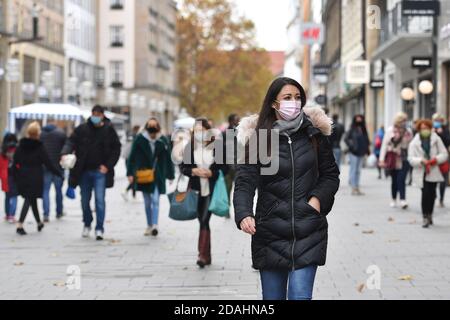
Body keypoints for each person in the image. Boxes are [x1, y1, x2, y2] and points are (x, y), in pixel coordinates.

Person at [233, 77, 340, 300]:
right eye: (287, 98)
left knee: (300, 296)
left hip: (308, 229)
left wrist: (317, 201)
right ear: (274, 103)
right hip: (270, 232)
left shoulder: (315, 135)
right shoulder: (260, 139)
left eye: (298, 97)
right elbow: (245, 180)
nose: (294, 102)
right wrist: (244, 213)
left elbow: (330, 175)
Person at [61, 105, 121, 241]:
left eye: (98, 114)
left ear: (102, 116)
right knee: (84, 201)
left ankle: (99, 228)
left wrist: (108, 166)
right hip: (84, 171)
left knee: (100, 201)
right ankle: (87, 223)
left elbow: (116, 149)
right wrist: (65, 153)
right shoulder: (82, 129)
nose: (95, 116)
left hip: (100, 171)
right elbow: (71, 141)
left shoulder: (109, 130)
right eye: (94, 113)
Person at [180, 118, 228, 268]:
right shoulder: (190, 147)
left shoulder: (218, 146)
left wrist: (211, 173)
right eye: (197, 131)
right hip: (196, 189)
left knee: (204, 219)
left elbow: (225, 167)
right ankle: (206, 255)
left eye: (202, 130)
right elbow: (183, 168)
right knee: (201, 219)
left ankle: (202, 254)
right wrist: (193, 171)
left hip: (211, 188)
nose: (200, 133)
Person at [127, 118, 175, 236]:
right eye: (150, 125)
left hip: (158, 174)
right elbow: (131, 157)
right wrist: (130, 173)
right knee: (147, 202)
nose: (152, 128)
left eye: (154, 125)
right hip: (144, 174)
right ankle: (149, 225)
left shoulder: (163, 140)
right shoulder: (140, 139)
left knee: (155, 200)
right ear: (146, 127)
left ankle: (155, 225)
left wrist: (170, 175)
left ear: (158, 127)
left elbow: (169, 158)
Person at [13, 122, 63, 235]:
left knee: (32, 199)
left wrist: (16, 176)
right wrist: (58, 172)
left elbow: (15, 161)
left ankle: (39, 222)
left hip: (23, 175)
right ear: (37, 133)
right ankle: (20, 224)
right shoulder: (39, 146)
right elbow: (48, 163)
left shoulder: (21, 145)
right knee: (29, 199)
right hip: (35, 175)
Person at [408, 119, 448, 228]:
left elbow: (444, 154)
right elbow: (411, 159)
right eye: (422, 129)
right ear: (419, 130)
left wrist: (435, 160)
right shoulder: (414, 142)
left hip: (433, 170)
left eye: (426, 128)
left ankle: (430, 214)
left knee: (432, 194)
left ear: (430, 129)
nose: (424, 130)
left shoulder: (436, 139)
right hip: (421, 172)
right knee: (425, 194)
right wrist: (421, 160)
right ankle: (425, 216)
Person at [379, 113, 413, 209]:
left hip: (404, 158)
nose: (404, 122)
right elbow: (384, 145)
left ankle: (403, 200)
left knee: (401, 179)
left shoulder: (408, 131)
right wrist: (381, 159)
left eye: (405, 120)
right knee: (394, 180)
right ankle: (393, 199)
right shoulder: (390, 130)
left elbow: (412, 144)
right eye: (402, 120)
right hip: (393, 158)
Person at [40, 120, 67, 222]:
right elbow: (66, 148)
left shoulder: (41, 134)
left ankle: (46, 214)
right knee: (58, 191)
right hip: (57, 168)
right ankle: (59, 212)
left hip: (45, 167)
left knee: (45, 191)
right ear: (54, 124)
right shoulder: (60, 134)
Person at [344, 115, 370, 195]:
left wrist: (367, 149)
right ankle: (353, 187)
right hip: (353, 152)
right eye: (357, 118)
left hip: (361, 152)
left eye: (360, 118)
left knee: (358, 170)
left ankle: (357, 187)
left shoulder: (363, 129)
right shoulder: (352, 129)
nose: (359, 120)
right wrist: (351, 146)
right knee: (354, 169)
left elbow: (366, 139)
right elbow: (346, 139)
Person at [222, 114, 240, 218]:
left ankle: (239, 212)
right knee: (227, 190)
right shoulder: (224, 134)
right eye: (237, 120)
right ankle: (226, 211)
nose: (238, 121)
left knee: (239, 191)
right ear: (231, 121)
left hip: (239, 167)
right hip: (227, 168)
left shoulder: (241, 133)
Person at [432, 113, 450, 207]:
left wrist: (441, 133)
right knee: (432, 177)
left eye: (439, 120)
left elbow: (448, 141)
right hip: (433, 157)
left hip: (443, 157)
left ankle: (441, 199)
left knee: (443, 179)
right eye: (435, 120)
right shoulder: (430, 130)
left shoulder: (445, 130)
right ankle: (433, 194)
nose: (437, 122)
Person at [0, 133, 18, 223]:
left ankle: (7, 215)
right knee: (14, 195)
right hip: (15, 175)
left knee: (7, 196)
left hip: (5, 176)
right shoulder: (17, 149)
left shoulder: (3, 150)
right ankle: (12, 215)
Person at [121, 125, 141, 201]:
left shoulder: (129, 136)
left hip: (128, 159)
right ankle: (127, 192)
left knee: (134, 177)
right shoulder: (135, 137)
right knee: (134, 177)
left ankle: (132, 195)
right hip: (132, 160)